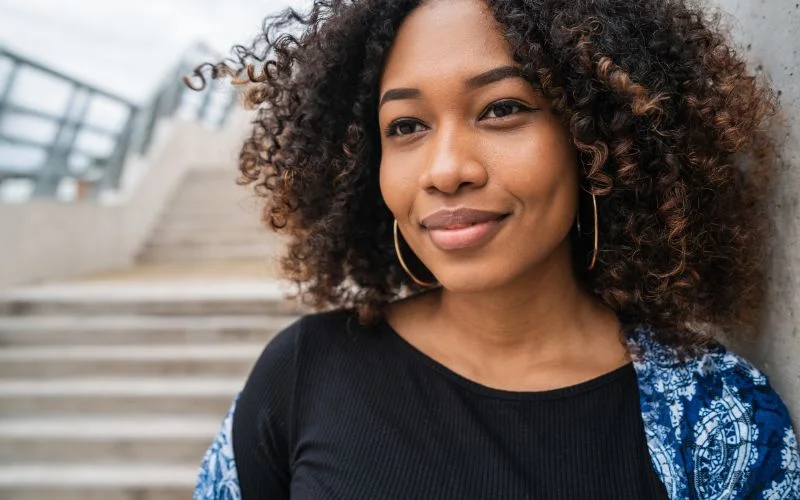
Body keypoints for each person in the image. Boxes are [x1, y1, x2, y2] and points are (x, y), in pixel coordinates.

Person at [190, 0, 800, 498]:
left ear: (596, 137)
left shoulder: (714, 414)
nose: (445, 170)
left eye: (501, 109)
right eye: (406, 126)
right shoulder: (304, 374)